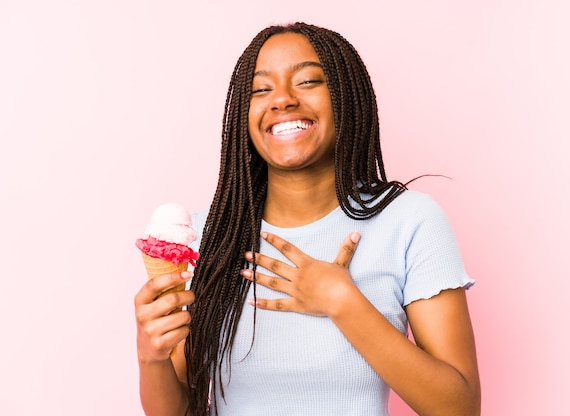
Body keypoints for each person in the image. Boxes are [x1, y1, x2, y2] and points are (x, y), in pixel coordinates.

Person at [134, 22, 480, 416]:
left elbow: (459, 408)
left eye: (307, 81)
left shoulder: (410, 222)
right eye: (261, 89)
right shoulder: (206, 237)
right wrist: (151, 357)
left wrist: (342, 302)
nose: (281, 100)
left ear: (346, 97)